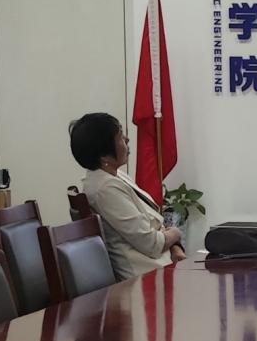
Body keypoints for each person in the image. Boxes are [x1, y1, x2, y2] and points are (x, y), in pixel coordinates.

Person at [69, 111, 185, 279]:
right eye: (120, 137)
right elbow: (151, 243)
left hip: (162, 265)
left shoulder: (115, 176)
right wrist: (176, 233)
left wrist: (175, 246)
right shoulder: (105, 189)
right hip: (145, 278)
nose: (127, 140)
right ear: (104, 156)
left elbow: (154, 226)